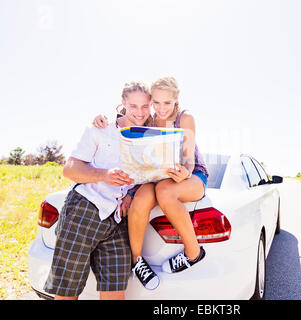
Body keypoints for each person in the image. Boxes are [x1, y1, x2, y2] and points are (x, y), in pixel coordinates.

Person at [44, 81, 156, 300]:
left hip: (117, 220)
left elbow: (147, 177)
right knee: (67, 291)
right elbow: (70, 169)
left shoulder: (149, 139)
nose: (140, 112)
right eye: (134, 106)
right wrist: (104, 175)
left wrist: (131, 194)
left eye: (145, 106)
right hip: (83, 211)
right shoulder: (101, 129)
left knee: (115, 292)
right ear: (123, 103)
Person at [93, 76, 209, 276]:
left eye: (167, 102)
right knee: (141, 198)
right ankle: (136, 260)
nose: (161, 108)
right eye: (156, 102)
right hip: (155, 176)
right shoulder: (149, 119)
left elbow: (189, 158)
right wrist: (100, 118)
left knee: (165, 191)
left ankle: (193, 252)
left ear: (176, 99)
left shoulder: (184, 118)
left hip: (191, 175)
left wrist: (186, 173)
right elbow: (124, 121)